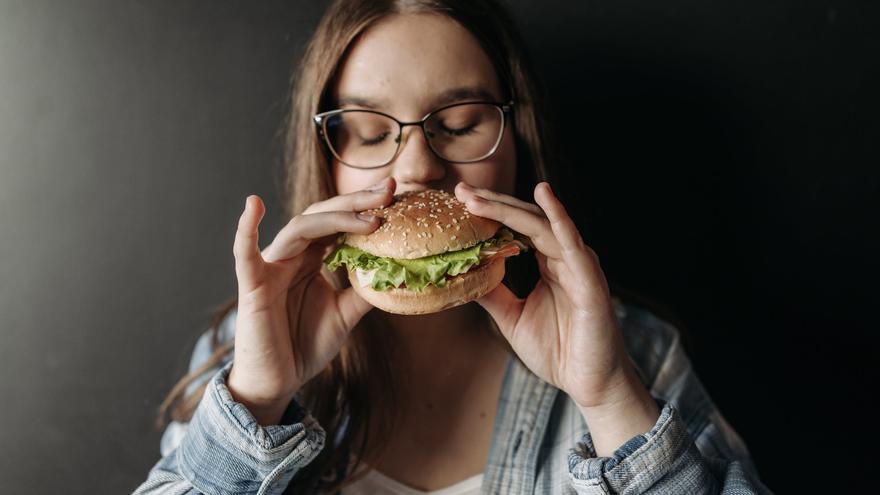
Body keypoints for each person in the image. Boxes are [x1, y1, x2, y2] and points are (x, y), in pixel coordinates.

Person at [134, 1, 772, 493]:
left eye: (461, 123)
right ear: (327, 162)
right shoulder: (240, 356)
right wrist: (258, 399)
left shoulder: (638, 357)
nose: (416, 168)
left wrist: (610, 401)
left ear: (517, 139)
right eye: (367, 130)